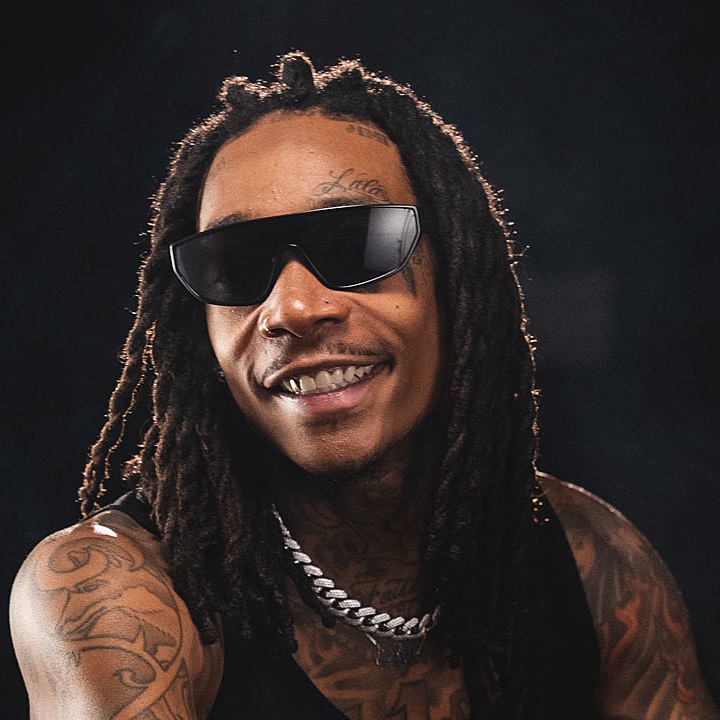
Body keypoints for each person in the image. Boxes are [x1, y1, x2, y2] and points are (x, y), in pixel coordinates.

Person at [9, 51, 718, 720]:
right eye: (235, 263)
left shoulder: (601, 567)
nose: (293, 308)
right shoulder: (112, 593)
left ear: (455, 281)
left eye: (355, 243)